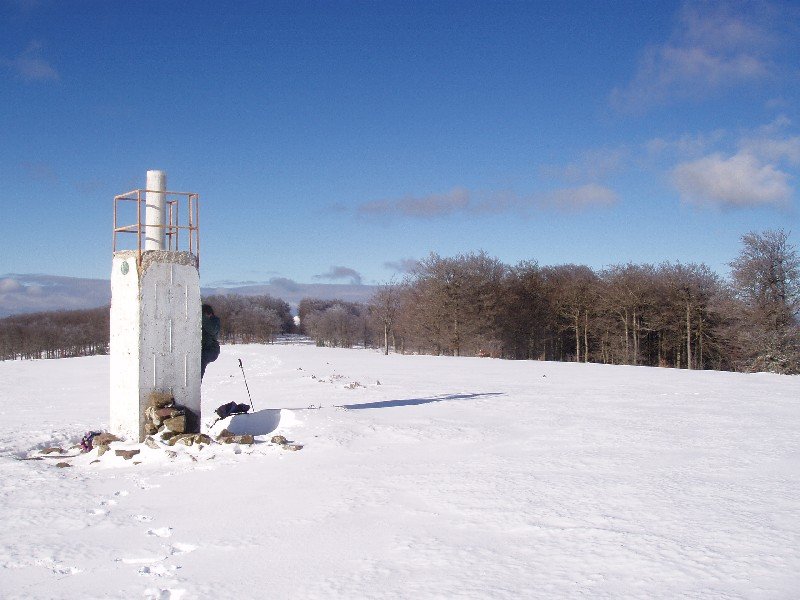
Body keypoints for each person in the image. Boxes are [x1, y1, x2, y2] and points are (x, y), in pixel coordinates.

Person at [201, 303, 220, 380]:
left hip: (212, 350)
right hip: (202, 350)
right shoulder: (202, 322)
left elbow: (212, 330)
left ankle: (196, 384)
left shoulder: (215, 320)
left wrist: (203, 318)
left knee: (201, 359)